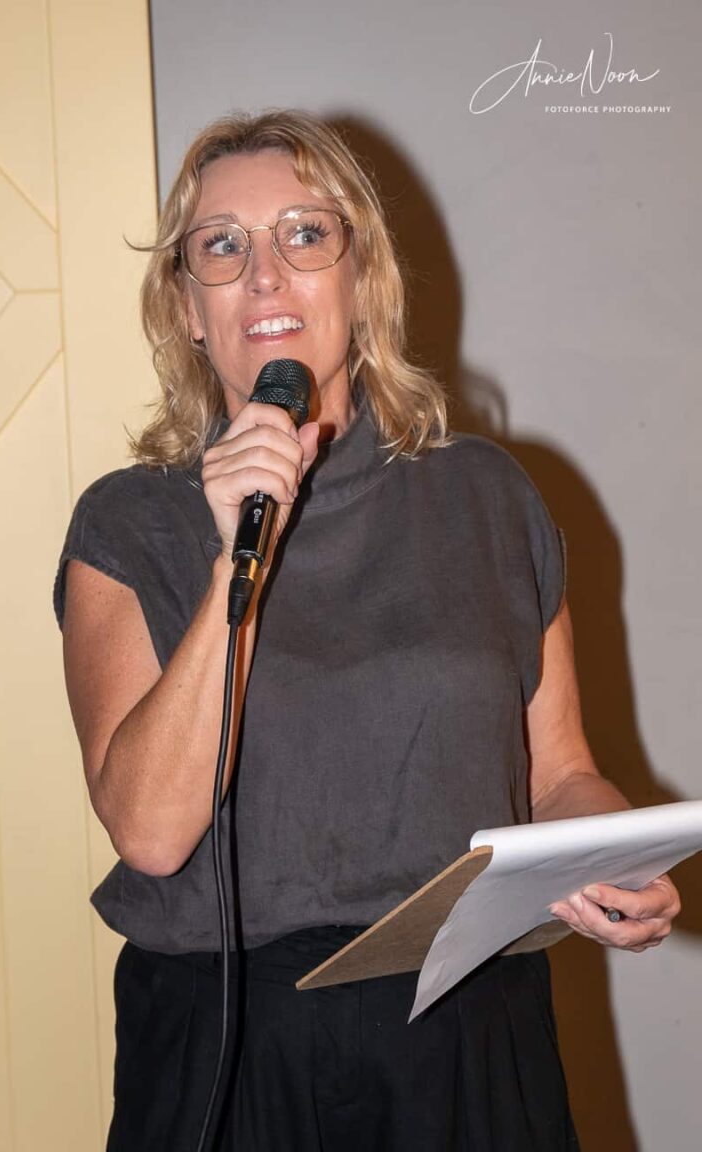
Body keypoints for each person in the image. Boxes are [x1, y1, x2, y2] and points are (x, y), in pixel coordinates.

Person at [54, 110, 680, 1151]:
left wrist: (612, 863)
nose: (265, 274)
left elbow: (562, 775)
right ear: (187, 307)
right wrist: (237, 556)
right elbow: (152, 834)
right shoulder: (127, 524)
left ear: (363, 278)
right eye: (222, 246)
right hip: (231, 1046)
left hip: (468, 1033)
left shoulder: (487, 497)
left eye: (306, 234)